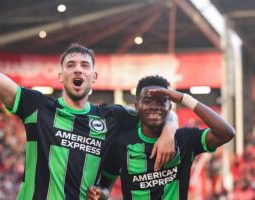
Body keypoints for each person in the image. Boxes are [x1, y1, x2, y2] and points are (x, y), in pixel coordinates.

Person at [0, 6, 178, 199]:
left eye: (84, 65)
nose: (78, 69)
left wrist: (169, 131)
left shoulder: (111, 117)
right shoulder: (37, 107)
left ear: (94, 76)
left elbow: (155, 110)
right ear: (61, 76)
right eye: (70, 65)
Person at [87, 75, 235, 200]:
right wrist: (101, 193)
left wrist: (185, 98)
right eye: (147, 101)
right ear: (137, 106)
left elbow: (226, 133)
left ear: (170, 107)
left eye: (160, 101)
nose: (154, 106)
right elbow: (105, 185)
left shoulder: (185, 139)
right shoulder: (121, 144)